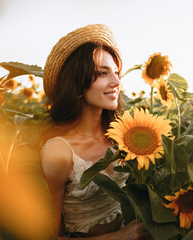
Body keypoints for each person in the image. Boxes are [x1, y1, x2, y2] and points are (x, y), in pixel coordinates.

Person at [41, 24, 152, 239]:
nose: (117, 82)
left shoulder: (122, 135)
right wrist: (121, 237)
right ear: (77, 82)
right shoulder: (59, 151)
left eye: (116, 72)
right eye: (103, 73)